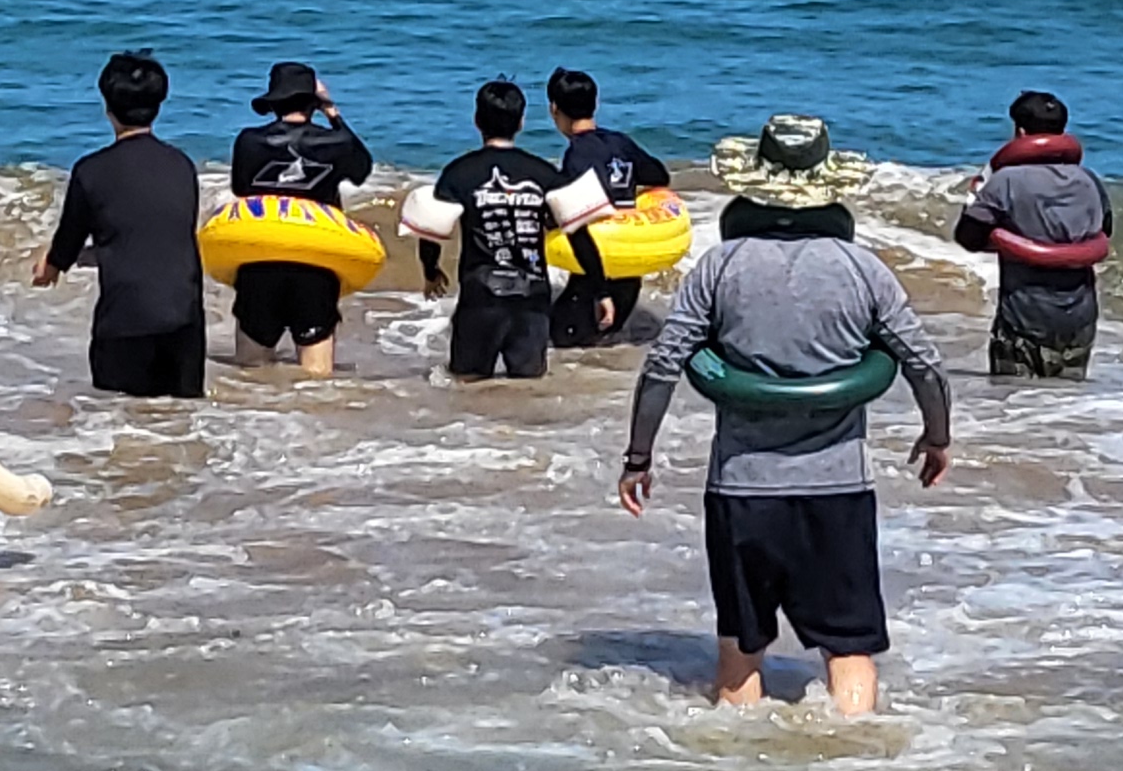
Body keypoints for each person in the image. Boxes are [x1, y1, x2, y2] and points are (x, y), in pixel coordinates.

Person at [619, 114, 952, 714]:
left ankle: (734, 757)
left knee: (739, 652)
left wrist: (638, 458)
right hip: (838, 489)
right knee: (849, 650)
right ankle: (860, 753)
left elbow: (664, 364)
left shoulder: (720, 266)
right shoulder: (863, 269)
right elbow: (923, 364)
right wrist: (937, 436)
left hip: (743, 488)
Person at [35, 49, 207, 397]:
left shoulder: (91, 171)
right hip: (184, 323)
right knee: (180, 418)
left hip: (124, 324)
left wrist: (51, 267)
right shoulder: (181, 165)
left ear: (107, 108)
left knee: (121, 417)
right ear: (159, 104)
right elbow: (151, 230)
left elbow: (69, 239)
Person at [952, 89, 1115, 379]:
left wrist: (980, 199)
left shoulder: (1005, 182)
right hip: (1079, 320)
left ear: (1020, 132)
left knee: (1015, 400)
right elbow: (1105, 231)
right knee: (1066, 401)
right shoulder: (1090, 180)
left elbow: (968, 237)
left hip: (1023, 318)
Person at [408, 80, 564, 380]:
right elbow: (571, 226)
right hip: (533, 293)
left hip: (481, 294)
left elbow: (432, 229)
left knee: (467, 382)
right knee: (529, 385)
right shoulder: (544, 173)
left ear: (477, 120)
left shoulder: (459, 173)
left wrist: (431, 271)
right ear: (521, 122)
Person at [224, 60, 373, 376]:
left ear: (273, 102)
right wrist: (332, 111)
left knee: (249, 372)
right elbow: (362, 168)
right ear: (313, 102)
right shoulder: (336, 143)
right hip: (315, 265)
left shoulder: (249, 141)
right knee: (316, 378)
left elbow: (240, 189)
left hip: (260, 260)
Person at [544, 68, 674, 349]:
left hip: (595, 272)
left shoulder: (576, 156)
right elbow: (659, 176)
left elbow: (572, 220)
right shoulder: (620, 142)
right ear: (596, 103)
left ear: (554, 109)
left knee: (564, 345)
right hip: (629, 272)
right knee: (602, 347)